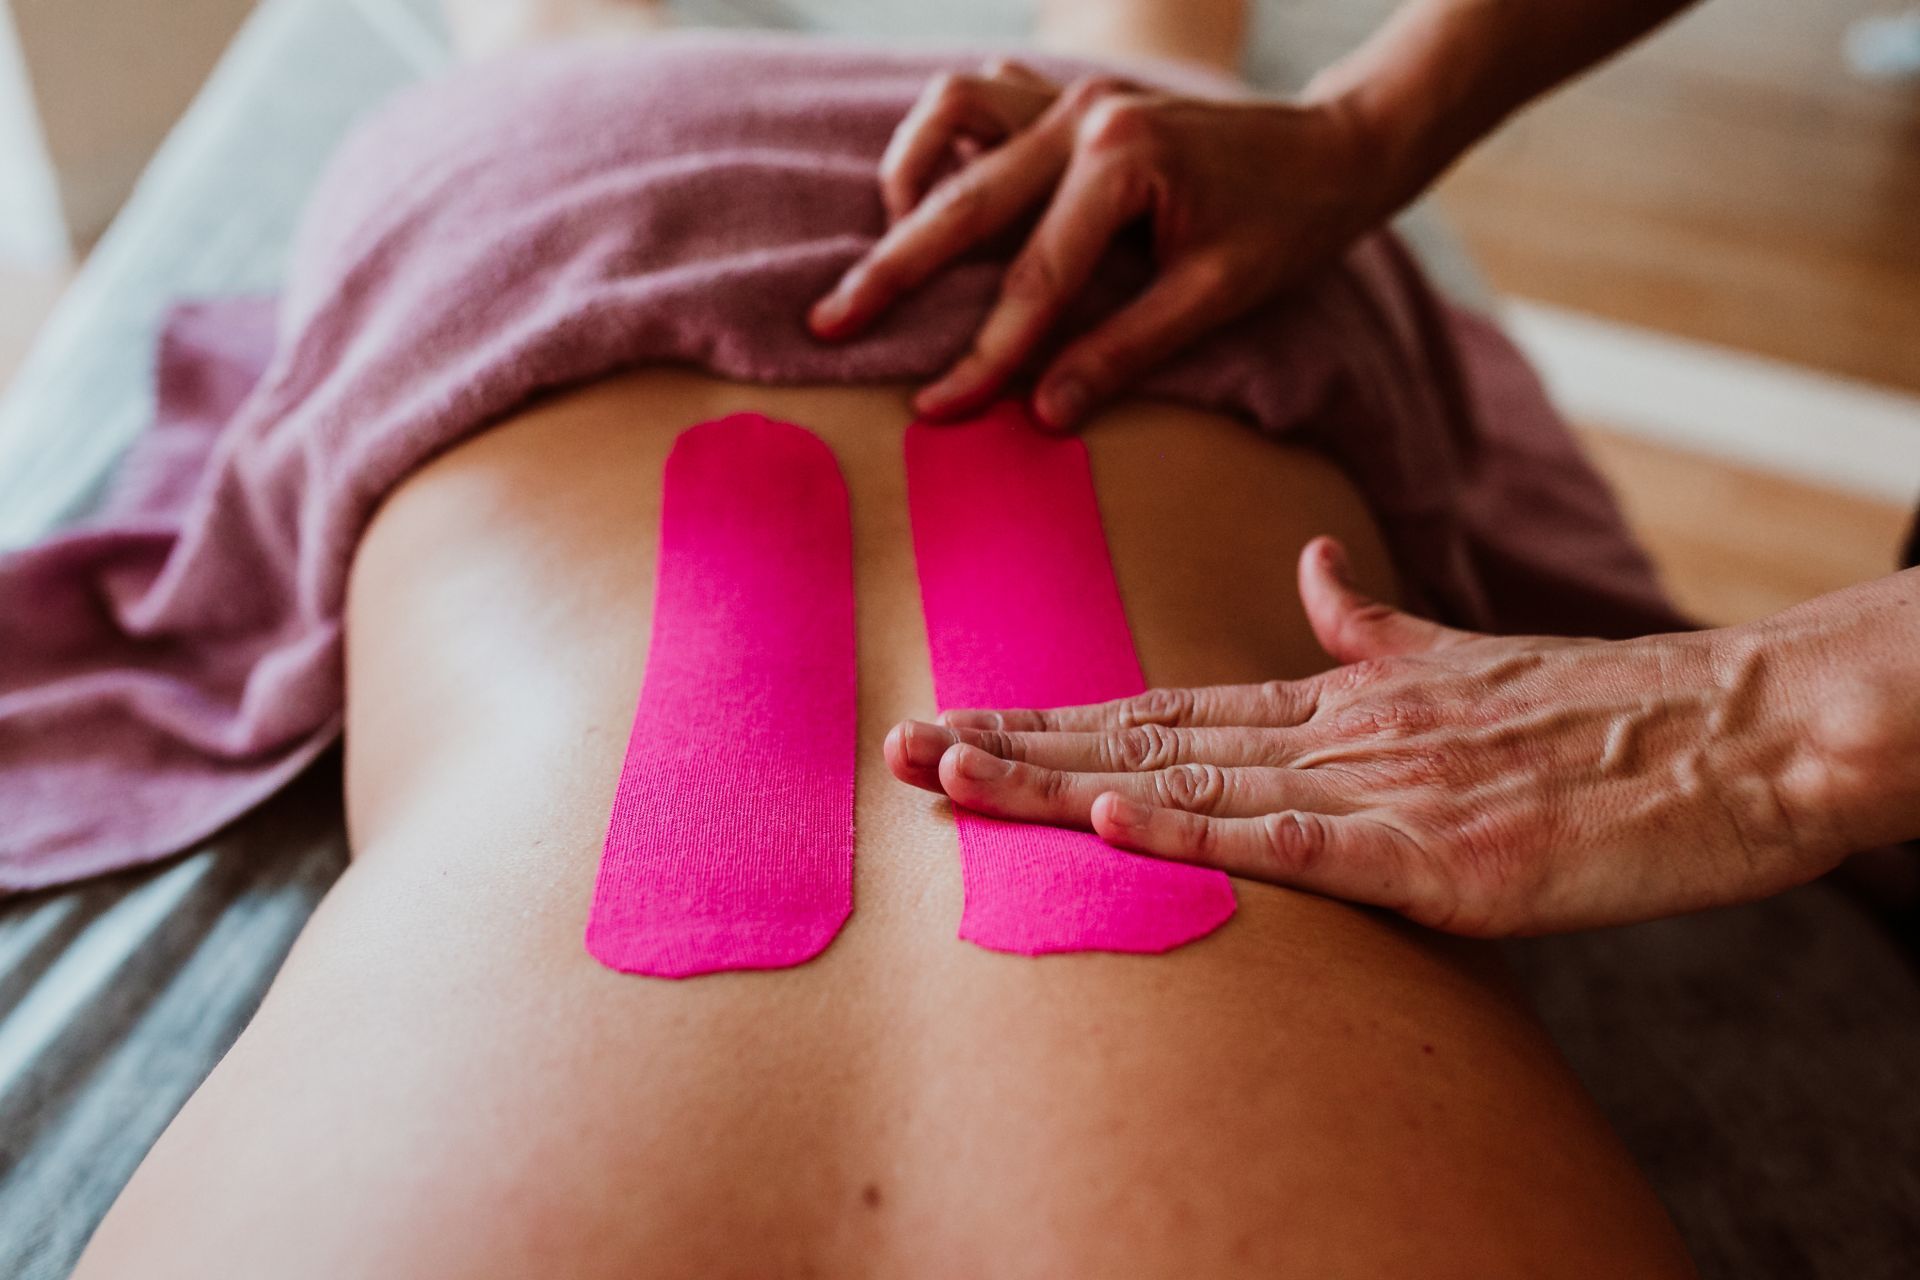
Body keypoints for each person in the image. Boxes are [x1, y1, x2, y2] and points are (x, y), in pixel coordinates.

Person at [61, 1, 1701, 1276]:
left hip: (618, 217)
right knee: (1137, 51)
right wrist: (1346, 137)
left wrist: (1354, 130)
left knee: (579, 33)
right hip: (1146, 276)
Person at [818, 0, 1920, 939]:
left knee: (1145, 46)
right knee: (1146, 55)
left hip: (1055, 185)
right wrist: (1357, 129)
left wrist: (1768, 719)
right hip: (1093, 174)